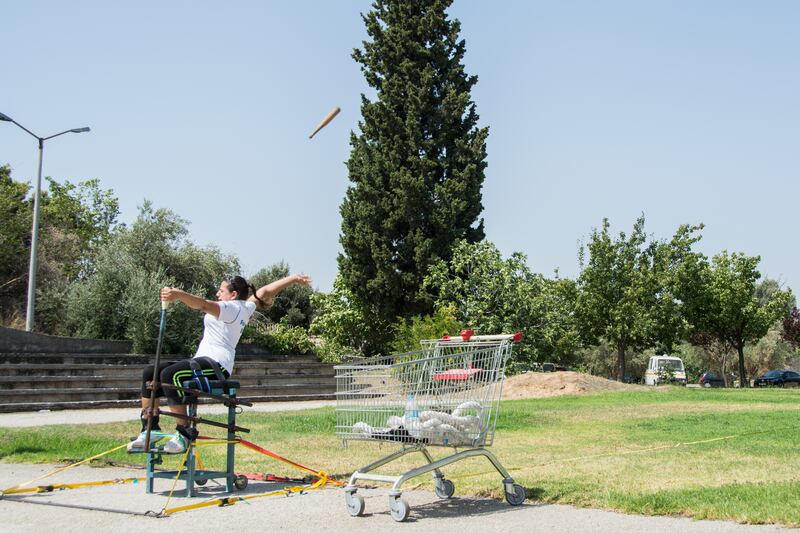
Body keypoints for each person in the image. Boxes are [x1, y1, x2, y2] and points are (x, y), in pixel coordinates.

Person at [128, 273, 312, 453]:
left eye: (221, 290)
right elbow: (264, 292)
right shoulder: (245, 306)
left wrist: (178, 295)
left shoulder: (231, 308)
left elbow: (202, 304)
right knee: (150, 372)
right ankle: (150, 428)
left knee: (169, 374)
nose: (217, 293)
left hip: (217, 365)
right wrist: (294, 278)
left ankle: (183, 433)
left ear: (233, 295)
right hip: (202, 360)